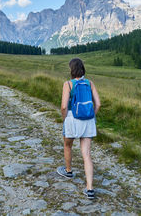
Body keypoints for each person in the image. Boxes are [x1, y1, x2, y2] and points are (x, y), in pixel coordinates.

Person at [57, 58, 101, 199]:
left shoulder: (68, 84)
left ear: (72, 70)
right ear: (82, 69)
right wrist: (91, 116)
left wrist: (65, 119)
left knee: (68, 145)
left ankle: (68, 171)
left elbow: (64, 106)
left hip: (72, 119)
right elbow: (98, 104)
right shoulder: (90, 83)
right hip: (88, 121)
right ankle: (90, 189)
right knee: (87, 154)